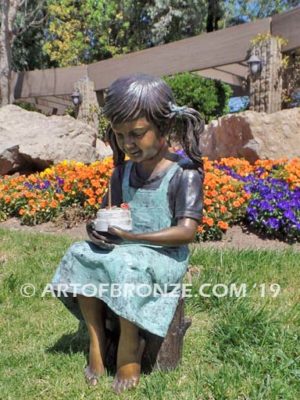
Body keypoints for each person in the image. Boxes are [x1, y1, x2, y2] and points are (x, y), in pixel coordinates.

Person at [51, 73, 204, 395]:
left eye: (137, 134)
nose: (128, 144)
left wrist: (132, 239)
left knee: (125, 266)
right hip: (125, 247)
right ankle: (97, 341)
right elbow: (111, 213)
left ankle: (130, 344)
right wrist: (97, 230)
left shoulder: (184, 173)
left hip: (164, 257)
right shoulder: (122, 172)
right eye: (120, 136)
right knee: (79, 253)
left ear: (163, 128)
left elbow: (186, 232)